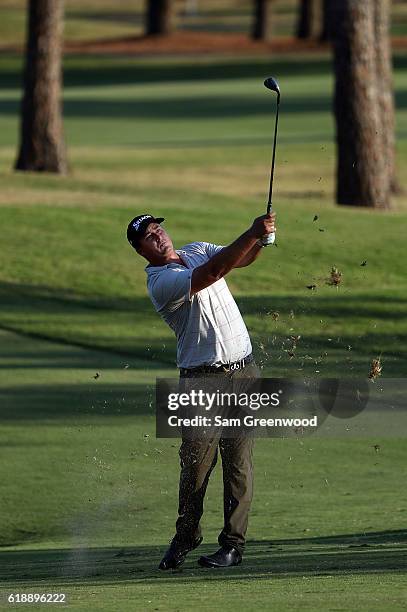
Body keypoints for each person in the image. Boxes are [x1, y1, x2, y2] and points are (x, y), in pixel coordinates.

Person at [126, 211, 276, 570]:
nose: (158, 235)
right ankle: (186, 534)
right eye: (149, 235)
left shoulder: (197, 249)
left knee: (238, 464)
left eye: (158, 228)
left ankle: (233, 546)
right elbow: (213, 273)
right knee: (196, 465)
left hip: (244, 371)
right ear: (140, 250)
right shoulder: (161, 282)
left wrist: (261, 241)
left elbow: (237, 258)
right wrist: (251, 230)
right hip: (200, 379)